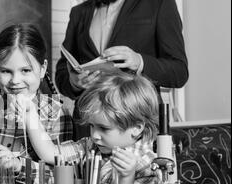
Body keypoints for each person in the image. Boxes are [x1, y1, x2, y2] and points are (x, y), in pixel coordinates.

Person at [24, 72, 161, 184]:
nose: (94, 135)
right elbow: (49, 153)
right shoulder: (90, 147)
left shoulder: (148, 165)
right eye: (91, 126)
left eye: (104, 128)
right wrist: (30, 114)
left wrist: (126, 178)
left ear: (136, 128)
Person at [0, 24, 73, 184]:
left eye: (25, 70)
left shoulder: (57, 113)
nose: (15, 80)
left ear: (42, 69)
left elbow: (64, 176)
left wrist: (20, 167)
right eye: (6, 71)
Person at [55, 0, 189, 138]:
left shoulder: (160, 4)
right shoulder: (78, 12)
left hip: (136, 124)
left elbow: (179, 72)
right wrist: (74, 83)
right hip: (88, 128)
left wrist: (140, 62)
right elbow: (61, 74)